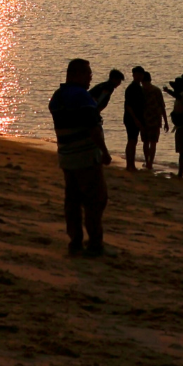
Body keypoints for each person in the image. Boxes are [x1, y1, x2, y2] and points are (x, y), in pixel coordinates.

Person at [48, 58, 125, 257]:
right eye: (88, 74)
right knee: (95, 200)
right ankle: (95, 244)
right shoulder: (82, 97)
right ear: (76, 74)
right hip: (85, 157)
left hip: (66, 156)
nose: (90, 78)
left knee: (72, 200)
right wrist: (105, 152)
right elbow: (93, 129)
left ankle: (75, 241)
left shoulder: (57, 97)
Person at [123, 67, 165, 173]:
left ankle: (144, 162)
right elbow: (162, 106)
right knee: (148, 142)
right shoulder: (147, 89)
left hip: (143, 120)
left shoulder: (141, 89)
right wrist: (165, 120)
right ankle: (145, 163)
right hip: (147, 120)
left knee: (143, 142)